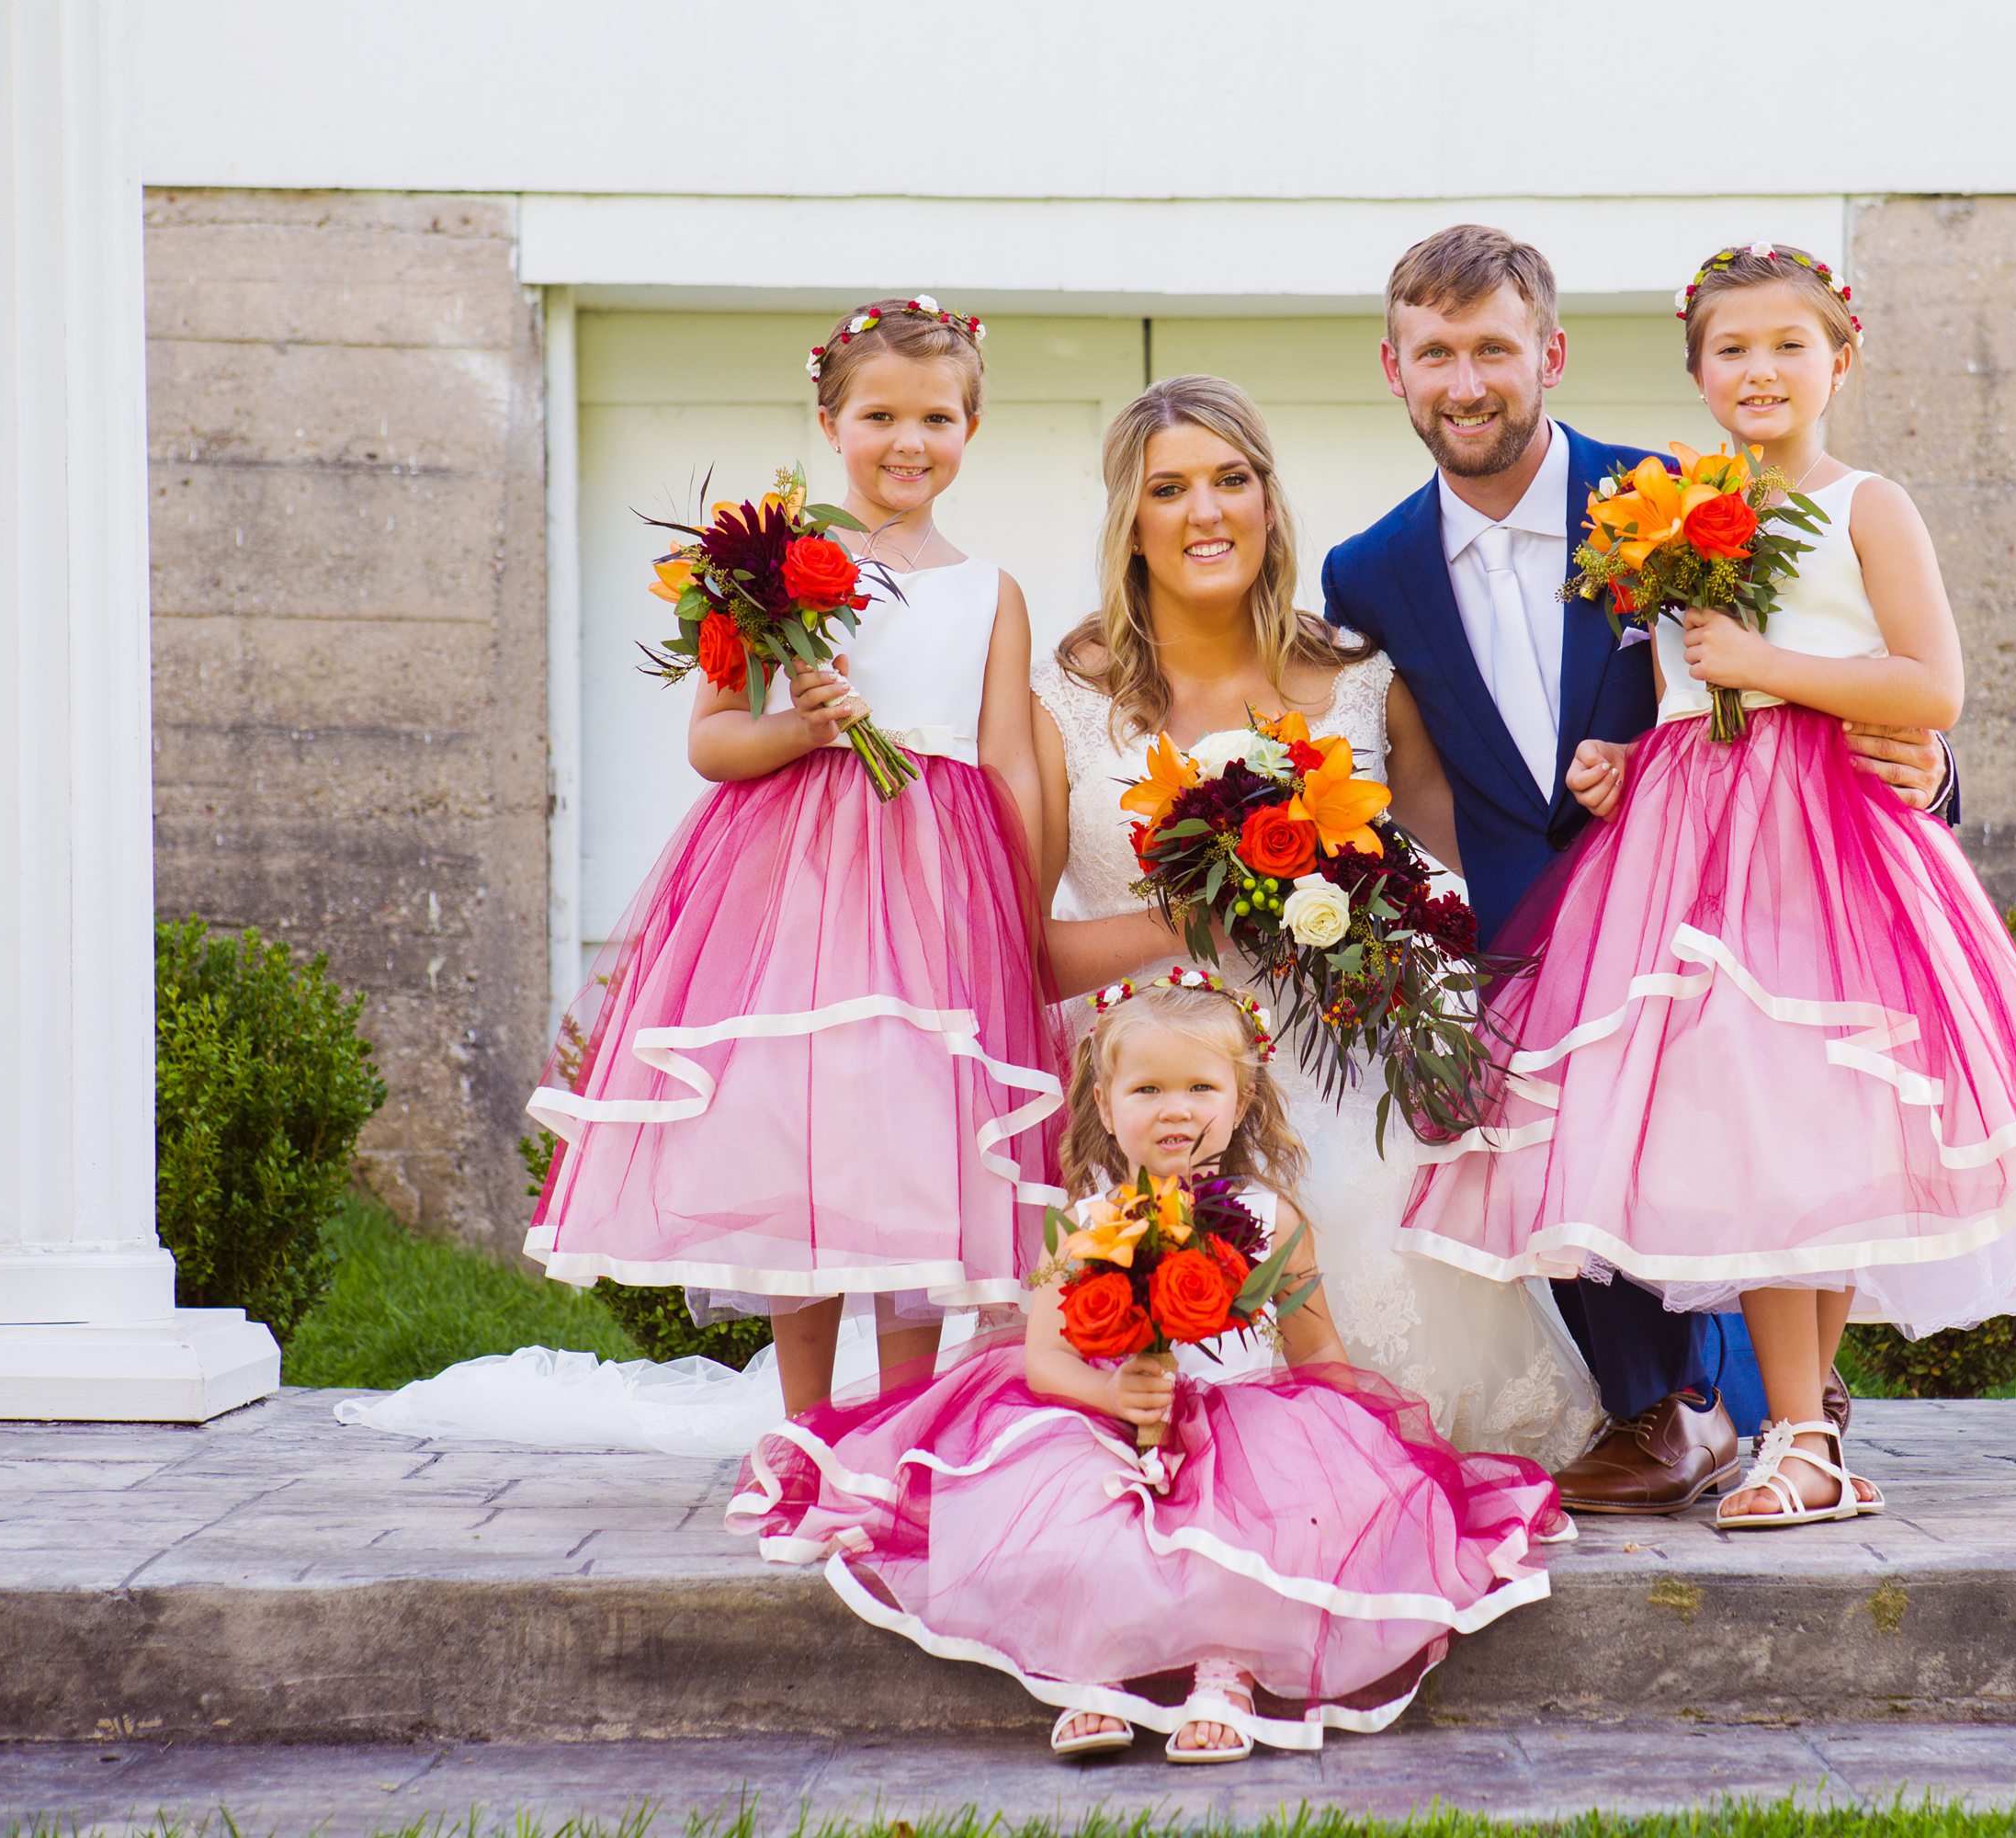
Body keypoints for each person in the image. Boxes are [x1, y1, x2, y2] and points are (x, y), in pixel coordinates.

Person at [1399, 243, 2016, 1528]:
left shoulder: (1868, 505)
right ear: (1695, 374)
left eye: (1788, 346)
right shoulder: (1663, 510)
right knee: (1746, 1137)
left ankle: (1806, 1432)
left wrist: (1764, 662)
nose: (1760, 371)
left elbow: (1929, 687)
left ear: (1839, 362)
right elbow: (1679, 679)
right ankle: (1794, 1435)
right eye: (1731, 350)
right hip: (1685, 852)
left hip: (1823, 851)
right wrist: (1622, 751)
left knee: (1817, 1124)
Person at [1319, 225, 1959, 1514]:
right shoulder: (1366, 572)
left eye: (1493, 348)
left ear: (1548, 353)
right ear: (1392, 368)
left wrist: (1931, 778)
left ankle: (1773, 1409)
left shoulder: (1684, 499)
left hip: (1724, 903)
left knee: (1762, 1129)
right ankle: (1679, 1408)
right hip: (1518, 936)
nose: (1466, 380)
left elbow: (1845, 669)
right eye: (1434, 353)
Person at [727, 976, 1564, 1763]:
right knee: (1073, 1514)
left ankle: (1226, 1669)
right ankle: (1095, 1667)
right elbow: (1048, 1359)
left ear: (1243, 1101)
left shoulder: (1274, 1219)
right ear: (1104, 1101)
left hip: (1251, 1426)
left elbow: (1316, 1351)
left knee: (1270, 1528)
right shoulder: (1088, 1220)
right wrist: (1111, 1391)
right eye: (1148, 1090)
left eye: (1202, 1088)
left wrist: (1369, 1451)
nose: (1177, 1111)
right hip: (1104, 1422)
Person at [1029, 375, 1603, 1467]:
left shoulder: (1357, 679)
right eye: (1170, 488)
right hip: (1151, 1090)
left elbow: (1458, 892)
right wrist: (1188, 920)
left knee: (1383, 1249)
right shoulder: (1063, 695)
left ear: (1269, 501)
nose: (1207, 511)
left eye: (1232, 479)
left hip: (1350, 1067)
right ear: (1131, 521)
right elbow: (1021, 950)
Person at [515, 298, 1061, 1419]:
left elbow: (1008, 760)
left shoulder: (991, 590)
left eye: (938, 417)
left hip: (936, 882)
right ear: (830, 422)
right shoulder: (760, 568)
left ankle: (906, 1423)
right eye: (880, 415)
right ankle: (808, 1421)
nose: (909, 441)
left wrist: (1016, 904)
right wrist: (807, 729)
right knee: (804, 1131)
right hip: (802, 883)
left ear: (972, 426)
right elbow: (715, 738)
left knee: (915, 1141)